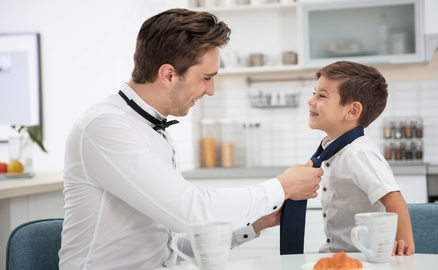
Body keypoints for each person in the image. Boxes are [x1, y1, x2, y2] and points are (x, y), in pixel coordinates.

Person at [58, 8, 323, 270]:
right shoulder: (105, 126)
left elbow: (169, 246)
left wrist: (255, 225)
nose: (211, 90)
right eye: (206, 78)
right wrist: (281, 187)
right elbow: (190, 212)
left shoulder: (156, 130)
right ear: (168, 75)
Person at [307, 61, 415, 256]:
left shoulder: (358, 153)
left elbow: (393, 197)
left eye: (321, 96)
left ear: (352, 111)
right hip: (340, 255)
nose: (311, 100)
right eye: (314, 93)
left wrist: (404, 250)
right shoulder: (334, 149)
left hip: (362, 257)